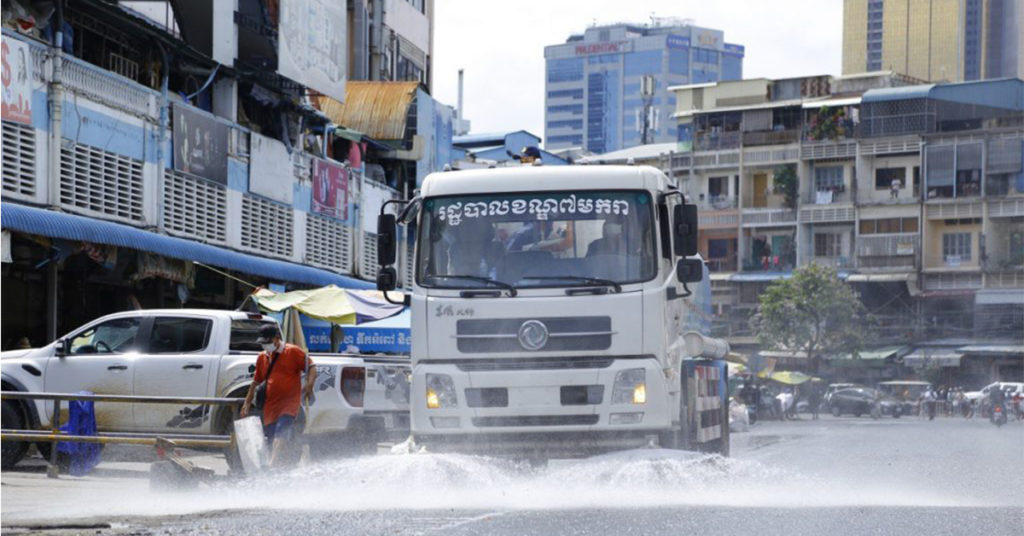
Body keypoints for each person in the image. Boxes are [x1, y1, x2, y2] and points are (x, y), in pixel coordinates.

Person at [241, 324, 316, 468]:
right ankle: (284, 467)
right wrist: (247, 402)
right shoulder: (262, 357)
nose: (265, 345)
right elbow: (255, 382)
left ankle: (271, 465)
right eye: (262, 342)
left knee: (280, 435)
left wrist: (310, 384)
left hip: (289, 403)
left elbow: (311, 367)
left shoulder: (293, 351)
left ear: (276, 339)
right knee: (272, 439)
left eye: (267, 342)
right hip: (271, 406)